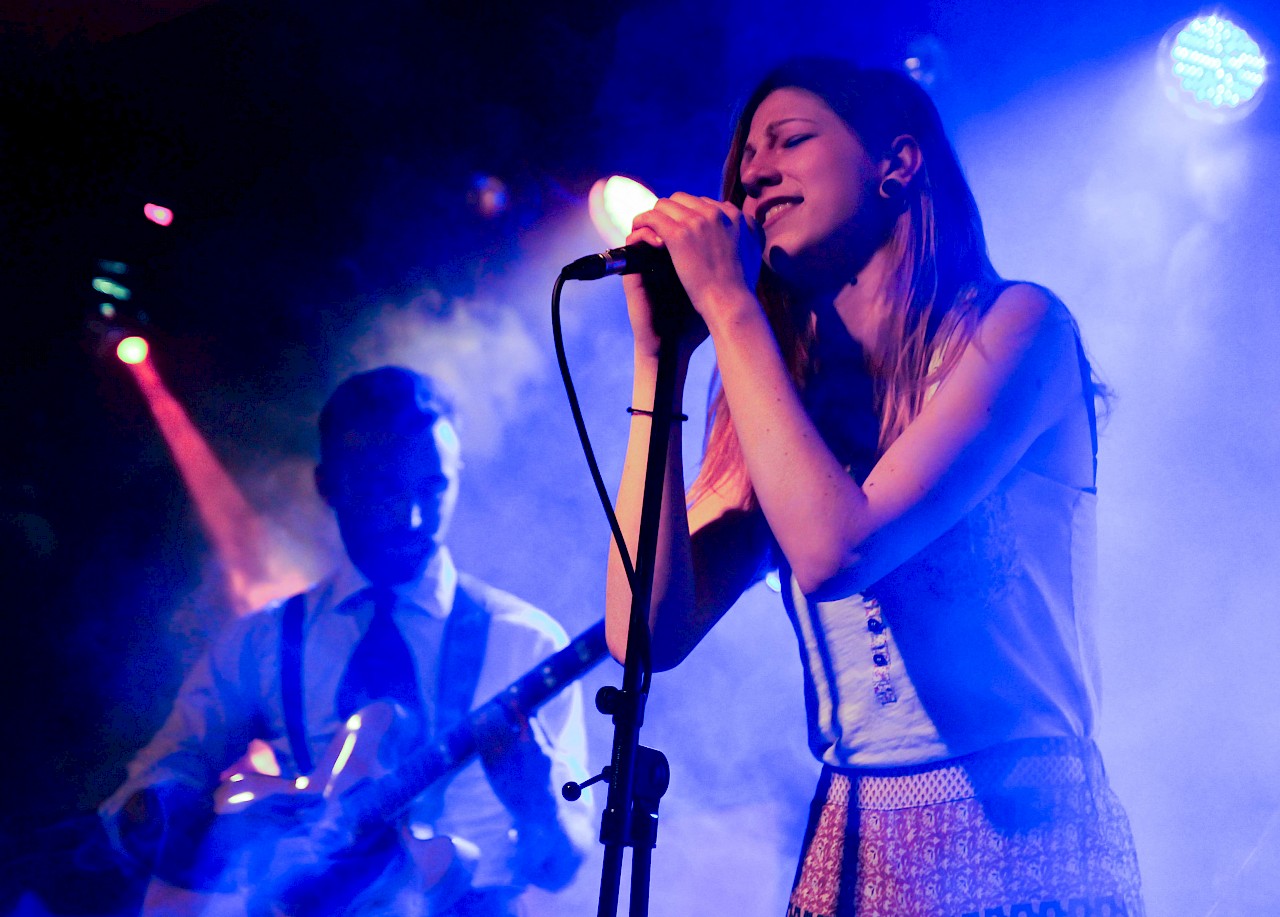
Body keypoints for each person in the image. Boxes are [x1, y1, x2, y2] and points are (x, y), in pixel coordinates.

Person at [604, 57, 1145, 916]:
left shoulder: (1018, 328)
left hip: (1018, 824)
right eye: (745, 158)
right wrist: (658, 358)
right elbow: (644, 633)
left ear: (897, 164)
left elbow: (838, 550)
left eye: (789, 140)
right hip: (853, 829)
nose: (753, 173)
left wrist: (732, 309)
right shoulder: (771, 388)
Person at [101, 365, 594, 916]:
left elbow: (562, 868)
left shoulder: (525, 642)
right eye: (384, 489)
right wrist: (186, 826)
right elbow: (167, 772)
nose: (413, 518)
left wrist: (538, 805)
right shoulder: (264, 641)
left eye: (433, 487)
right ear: (328, 485)